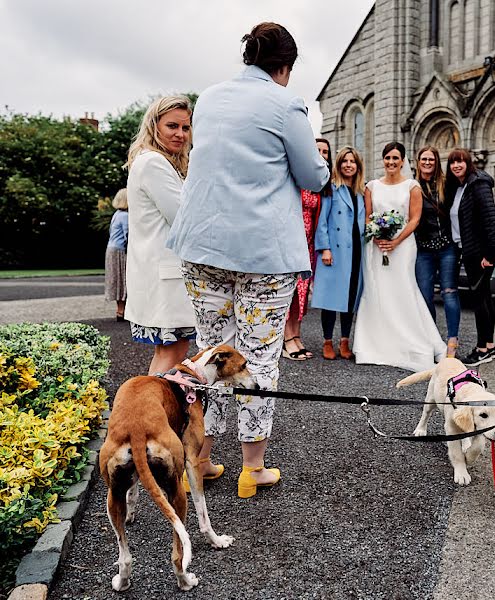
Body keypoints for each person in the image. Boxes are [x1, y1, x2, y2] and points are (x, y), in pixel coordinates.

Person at [166, 22, 330, 498]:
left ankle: (202, 458)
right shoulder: (286, 104)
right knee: (258, 357)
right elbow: (312, 175)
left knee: (211, 352)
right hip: (261, 251)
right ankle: (252, 469)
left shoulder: (211, 98)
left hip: (202, 244)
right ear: (286, 67)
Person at [353, 142, 446, 371]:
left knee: (403, 288)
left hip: (403, 247)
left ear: (403, 161)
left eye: (396, 158)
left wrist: (395, 240)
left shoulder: (412, 186)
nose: (391, 162)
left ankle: (415, 342)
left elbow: (414, 219)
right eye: (387, 158)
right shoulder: (372, 186)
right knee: (378, 290)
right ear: (383, 160)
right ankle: (376, 343)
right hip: (376, 247)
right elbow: (367, 216)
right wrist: (376, 236)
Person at [124, 96, 196, 376]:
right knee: (171, 354)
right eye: (172, 126)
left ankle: (150, 415)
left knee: (171, 353)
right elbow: (182, 218)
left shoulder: (158, 161)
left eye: (186, 127)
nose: (180, 134)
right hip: (166, 275)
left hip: (162, 273)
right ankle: (146, 416)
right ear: (154, 125)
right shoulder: (154, 162)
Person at [444, 148, 495, 367]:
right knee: (484, 297)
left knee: (479, 299)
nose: (456, 166)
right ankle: (489, 346)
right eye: (452, 162)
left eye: (460, 162)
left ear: (468, 163)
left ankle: (482, 349)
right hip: (471, 250)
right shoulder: (461, 186)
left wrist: (489, 254)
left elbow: (490, 219)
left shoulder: (478, 183)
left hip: (481, 253)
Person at [311, 146, 366, 360]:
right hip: (335, 251)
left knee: (350, 298)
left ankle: (345, 341)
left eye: (352, 161)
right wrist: (324, 248)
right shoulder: (331, 188)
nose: (348, 165)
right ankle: (327, 341)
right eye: (344, 161)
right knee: (331, 298)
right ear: (339, 164)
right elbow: (322, 220)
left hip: (356, 251)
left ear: (357, 166)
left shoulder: (361, 192)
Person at [283, 138, 333, 360]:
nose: (322, 154)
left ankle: (296, 335)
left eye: (326, 151)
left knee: (302, 292)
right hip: (291, 240)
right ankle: (286, 340)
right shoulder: (298, 176)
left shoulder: (321, 183)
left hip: (309, 243)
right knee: (289, 290)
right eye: (318, 150)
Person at [414, 146, 460, 359]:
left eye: (431, 159)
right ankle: (432, 340)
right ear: (418, 161)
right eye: (424, 159)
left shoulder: (446, 184)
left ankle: (452, 341)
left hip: (446, 248)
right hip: (423, 249)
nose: (427, 162)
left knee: (449, 292)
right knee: (425, 296)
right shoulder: (413, 186)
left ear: (436, 162)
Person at [104, 188, 129, 322]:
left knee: (116, 279)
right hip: (120, 251)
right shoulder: (125, 216)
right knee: (123, 279)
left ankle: (120, 310)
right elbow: (128, 236)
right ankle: (123, 310)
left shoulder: (116, 215)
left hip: (111, 249)